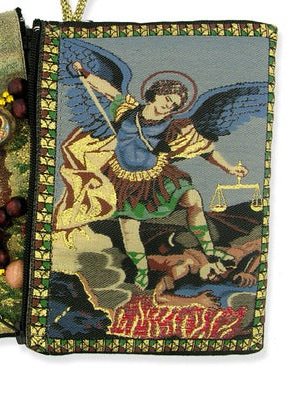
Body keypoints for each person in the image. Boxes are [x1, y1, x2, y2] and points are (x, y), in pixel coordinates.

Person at [57, 61, 248, 290]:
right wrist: (84, 73)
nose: (169, 106)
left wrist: (228, 168)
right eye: (167, 99)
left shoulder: (175, 127)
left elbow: (205, 149)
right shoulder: (127, 109)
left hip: (157, 178)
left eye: (174, 104)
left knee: (193, 198)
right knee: (129, 228)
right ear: (155, 94)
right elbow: (106, 89)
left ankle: (209, 249)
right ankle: (141, 270)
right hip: (122, 179)